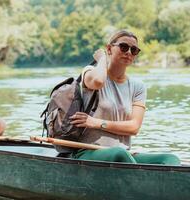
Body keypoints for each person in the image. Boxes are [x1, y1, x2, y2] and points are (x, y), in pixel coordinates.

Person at [69, 30, 180, 165]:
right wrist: (103, 58)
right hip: (88, 152)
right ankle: (143, 181)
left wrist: (97, 122)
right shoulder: (90, 72)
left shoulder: (138, 86)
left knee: (170, 159)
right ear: (109, 48)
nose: (128, 52)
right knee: (118, 153)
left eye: (134, 50)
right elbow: (98, 81)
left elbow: (134, 127)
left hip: (124, 155)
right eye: (123, 47)